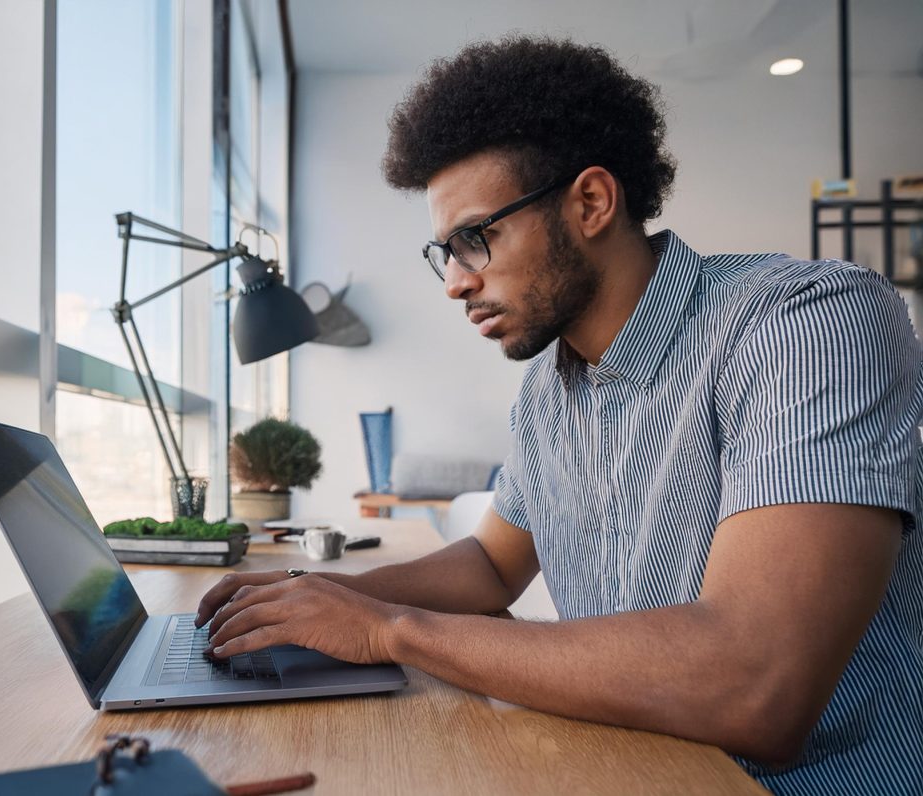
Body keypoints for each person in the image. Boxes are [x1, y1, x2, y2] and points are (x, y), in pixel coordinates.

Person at [196, 36, 922, 794]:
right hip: (619, 766)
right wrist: (325, 599)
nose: (453, 283)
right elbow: (490, 565)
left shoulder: (805, 323)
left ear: (591, 203)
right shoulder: (550, 385)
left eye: (474, 239)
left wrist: (388, 630)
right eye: (442, 251)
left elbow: (756, 683)